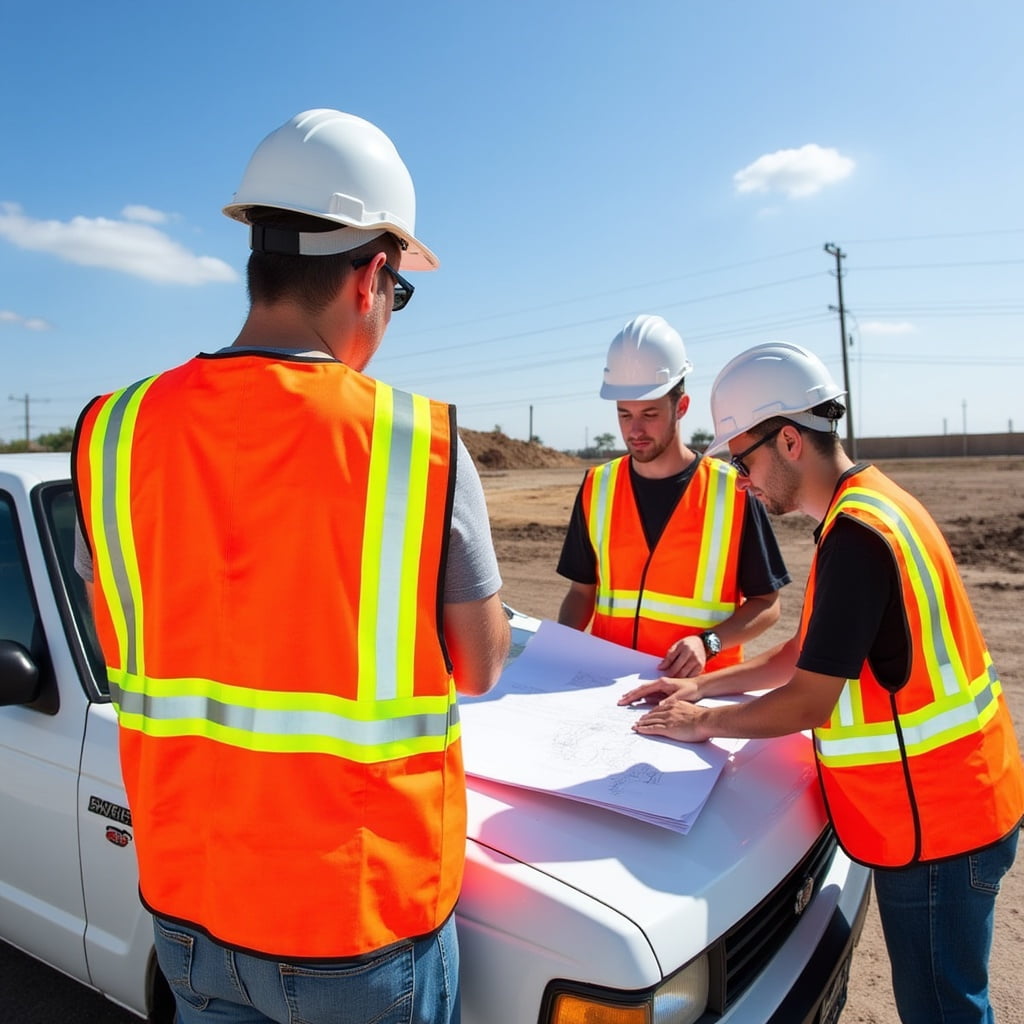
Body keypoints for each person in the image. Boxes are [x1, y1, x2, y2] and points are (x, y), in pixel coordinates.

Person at [72, 109, 510, 1024]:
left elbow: (120, 636)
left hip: (190, 909)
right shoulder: (416, 443)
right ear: (372, 277)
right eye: (398, 293)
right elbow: (480, 663)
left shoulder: (114, 433)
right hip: (357, 922)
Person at [623, 340, 1024, 1024]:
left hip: (940, 826)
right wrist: (705, 689)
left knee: (944, 1010)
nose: (741, 479)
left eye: (743, 459)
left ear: (787, 440)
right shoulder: (866, 507)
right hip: (958, 802)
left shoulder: (857, 539)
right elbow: (802, 657)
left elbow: (812, 697)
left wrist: (703, 726)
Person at [557, 314, 790, 676]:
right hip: (604, 693)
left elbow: (767, 604)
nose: (635, 430)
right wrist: (558, 652)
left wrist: (708, 643)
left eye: (649, 413)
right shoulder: (596, 487)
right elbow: (581, 593)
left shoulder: (733, 491)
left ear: (681, 407)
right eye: (624, 414)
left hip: (695, 697)